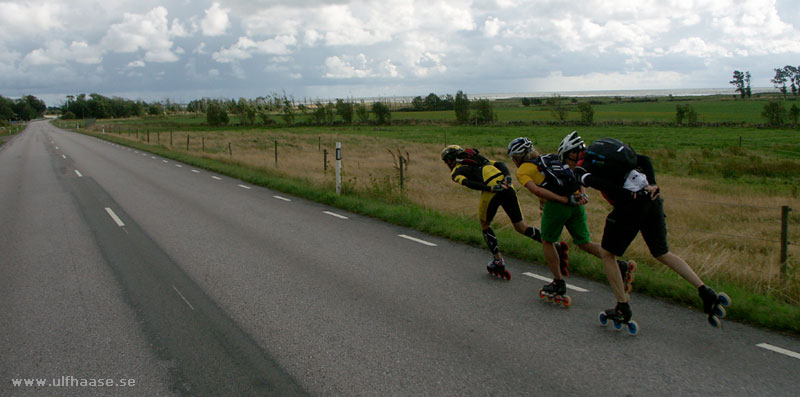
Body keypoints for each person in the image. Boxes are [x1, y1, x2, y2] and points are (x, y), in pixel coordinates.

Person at [558, 131, 731, 328]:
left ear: (572, 154)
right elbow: (644, 159)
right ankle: (705, 291)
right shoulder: (609, 152)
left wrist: (627, 195)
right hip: (651, 198)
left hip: (630, 206)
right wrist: (653, 183)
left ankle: (622, 306)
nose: (568, 164)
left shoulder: (583, 167)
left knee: (607, 254)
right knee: (662, 253)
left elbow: (599, 183)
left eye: (566, 158)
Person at [507, 137, 632, 305]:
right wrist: (580, 194)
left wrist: (561, 200)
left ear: (517, 158)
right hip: (576, 202)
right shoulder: (550, 158)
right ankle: (619, 266)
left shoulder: (523, 170)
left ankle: (558, 282)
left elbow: (537, 190)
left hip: (557, 206)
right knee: (584, 242)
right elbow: (576, 173)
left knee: (547, 241)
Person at [441, 145, 568, 280]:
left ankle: (498, 261)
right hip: (507, 186)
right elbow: (501, 164)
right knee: (521, 227)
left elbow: (468, 183)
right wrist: (508, 177)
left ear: (449, 160)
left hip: (492, 190)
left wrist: (489, 188)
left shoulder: (455, 171)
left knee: (485, 225)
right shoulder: (479, 159)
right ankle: (554, 246)